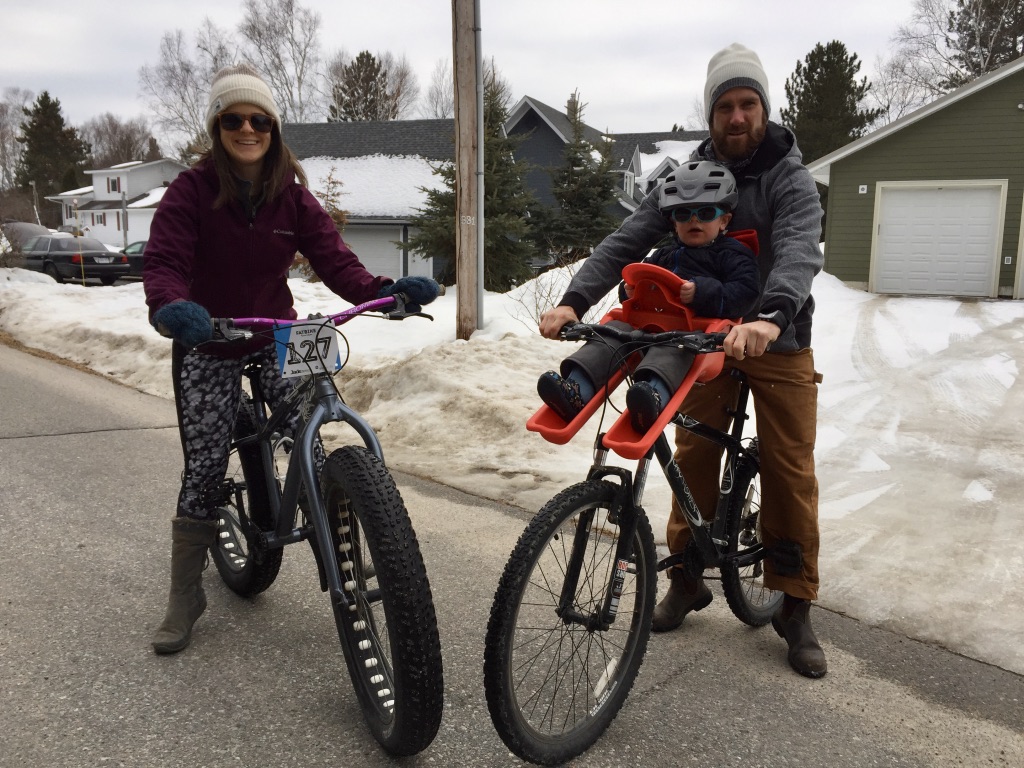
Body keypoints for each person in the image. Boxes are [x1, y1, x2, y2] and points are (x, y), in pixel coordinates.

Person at [539, 43, 827, 678]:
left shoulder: (789, 177)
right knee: (693, 449)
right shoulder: (688, 174)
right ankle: (688, 576)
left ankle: (794, 602)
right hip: (699, 336)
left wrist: (769, 316)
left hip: (775, 337)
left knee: (788, 464)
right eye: (725, 106)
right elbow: (629, 238)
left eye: (747, 104)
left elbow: (799, 250)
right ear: (711, 113)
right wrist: (573, 300)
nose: (737, 116)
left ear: (763, 109)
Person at [143, 63, 439, 655]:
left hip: (277, 335)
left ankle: (338, 535)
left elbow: (336, 261)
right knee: (205, 466)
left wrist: (386, 292)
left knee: (311, 431)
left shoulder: (292, 197)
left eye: (259, 120)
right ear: (217, 128)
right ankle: (185, 595)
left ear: (273, 128)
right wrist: (172, 306)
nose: (247, 129)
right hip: (208, 339)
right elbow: (165, 261)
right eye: (233, 120)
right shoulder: (192, 191)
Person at [537, 160, 759, 433]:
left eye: (705, 213)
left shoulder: (732, 254)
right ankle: (576, 390)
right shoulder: (663, 255)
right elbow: (637, 284)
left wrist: (701, 292)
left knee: (674, 346)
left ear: (724, 220)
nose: (694, 220)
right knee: (611, 334)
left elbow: (745, 294)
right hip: (647, 326)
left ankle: (651, 398)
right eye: (683, 214)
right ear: (673, 223)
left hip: (695, 335)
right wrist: (629, 290)